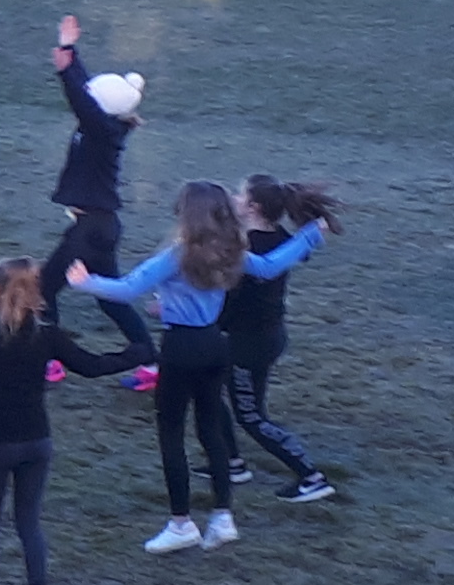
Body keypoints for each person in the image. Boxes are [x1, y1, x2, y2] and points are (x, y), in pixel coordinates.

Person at [79, 183, 327, 552]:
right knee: (211, 429)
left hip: (180, 348)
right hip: (216, 345)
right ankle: (222, 517)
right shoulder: (232, 250)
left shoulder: (178, 255)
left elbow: (129, 288)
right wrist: (310, 235)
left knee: (171, 434)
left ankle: (180, 523)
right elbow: (271, 266)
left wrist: (85, 282)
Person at [0, 257, 148, 585]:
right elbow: (91, 366)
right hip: (36, 440)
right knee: (29, 521)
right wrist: (137, 353)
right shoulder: (47, 335)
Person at [225, 180, 343, 505]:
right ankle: (230, 463)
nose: (234, 197)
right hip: (265, 336)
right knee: (211, 392)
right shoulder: (279, 239)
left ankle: (311, 477)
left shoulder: (249, 249)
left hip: (247, 344)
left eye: (240, 194)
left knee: (251, 416)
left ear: (254, 207)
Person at [44, 17, 154, 360]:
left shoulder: (102, 131)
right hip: (100, 225)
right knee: (110, 300)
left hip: (90, 230)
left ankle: (50, 359)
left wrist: (65, 71)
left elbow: (82, 99)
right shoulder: (105, 124)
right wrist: (69, 49)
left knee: (44, 289)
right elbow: (87, 92)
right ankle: (150, 357)